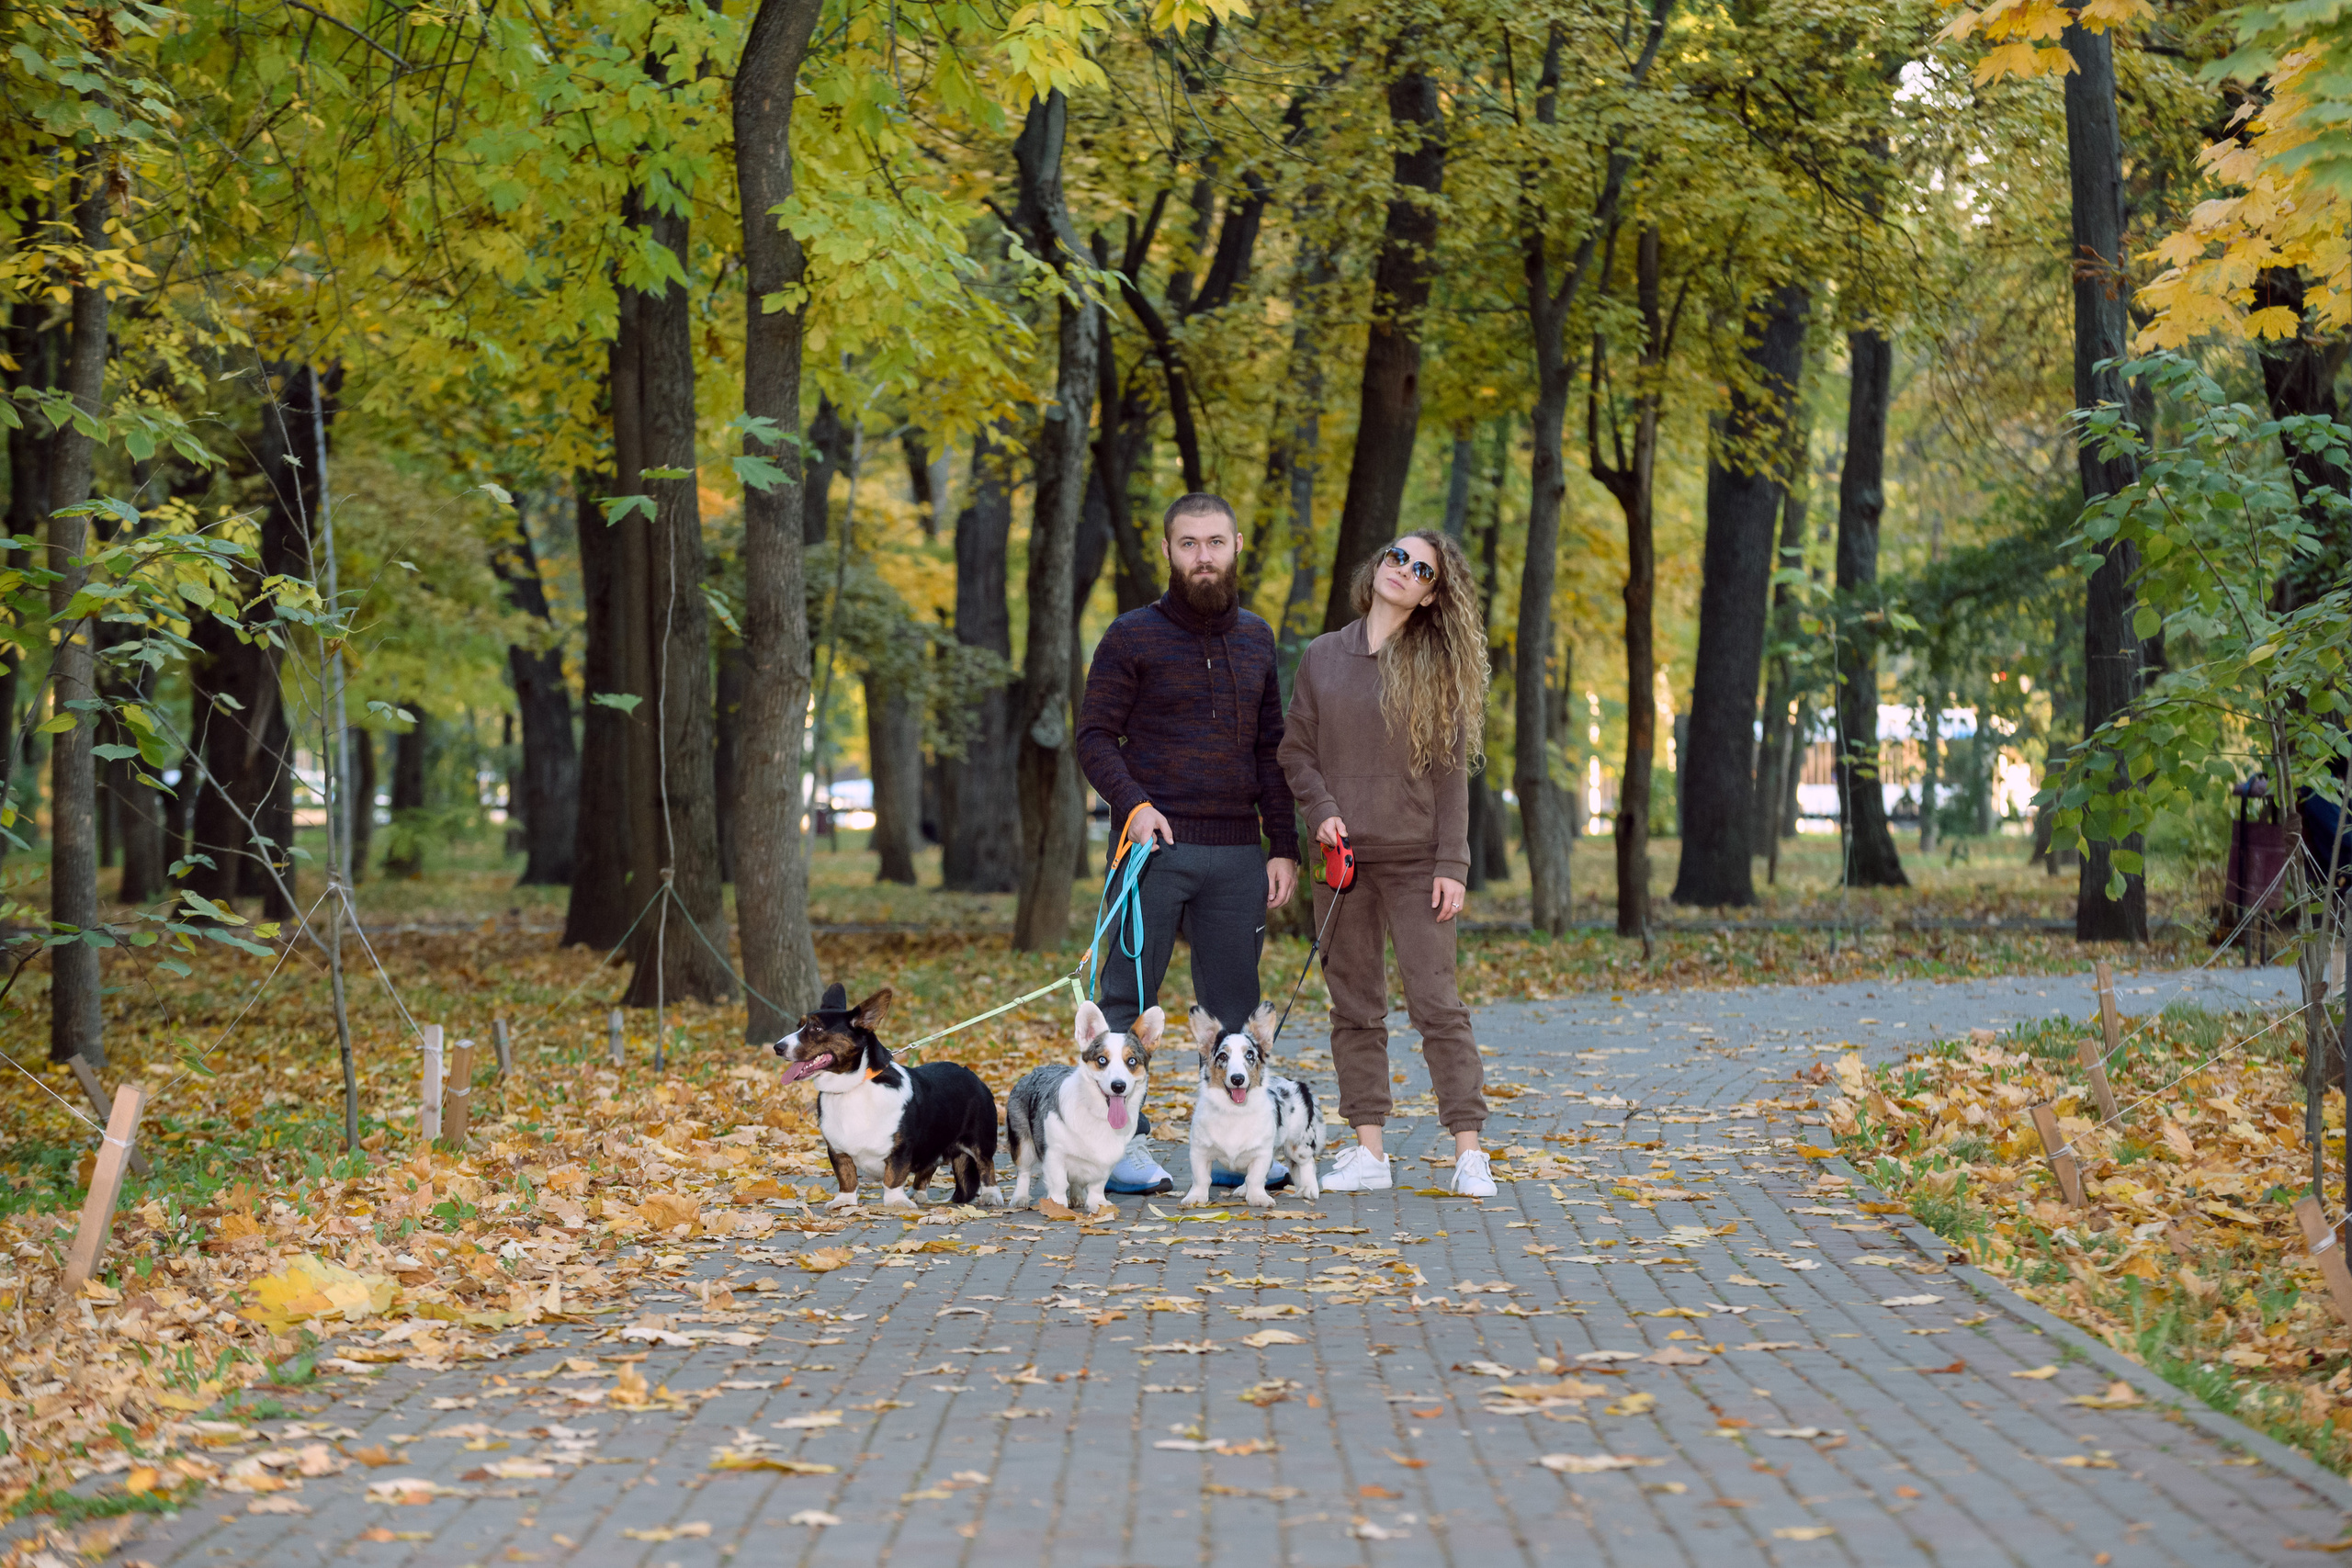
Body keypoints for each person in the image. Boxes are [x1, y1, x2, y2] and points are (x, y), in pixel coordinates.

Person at [1076, 492, 1300, 1192]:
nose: (1203, 556)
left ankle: (1238, 1153)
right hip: (1153, 850)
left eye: (1214, 542)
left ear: (1237, 545)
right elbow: (1092, 738)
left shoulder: (1259, 638)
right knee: (1124, 1005)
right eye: (1188, 544)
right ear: (1168, 552)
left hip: (1237, 855)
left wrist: (1283, 844)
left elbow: (1272, 748)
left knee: (1235, 1012)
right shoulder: (1131, 636)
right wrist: (1134, 804)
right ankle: (1119, 1151)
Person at [1278, 529, 1492, 1197]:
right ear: (1378, 566)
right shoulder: (1321, 656)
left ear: (1431, 596)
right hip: (1340, 865)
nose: (1402, 570)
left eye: (1420, 569)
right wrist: (1320, 811)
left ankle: (1470, 1152)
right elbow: (1295, 753)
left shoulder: (1435, 668)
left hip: (1416, 863)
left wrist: (1453, 863)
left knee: (1438, 1006)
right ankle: (1370, 1155)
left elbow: (1453, 775)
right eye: (1397, 557)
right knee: (1354, 1008)